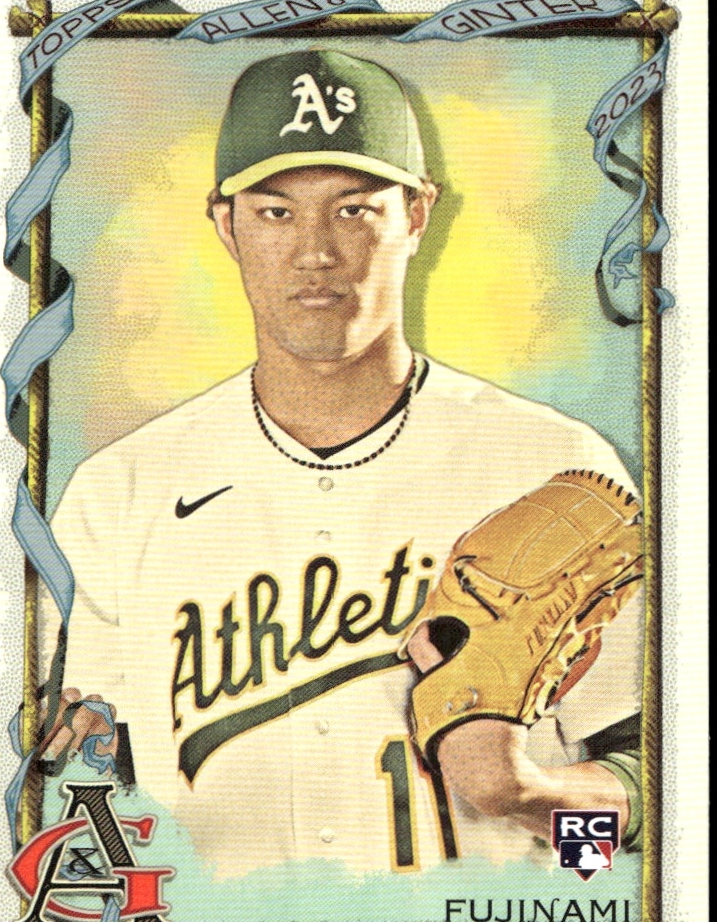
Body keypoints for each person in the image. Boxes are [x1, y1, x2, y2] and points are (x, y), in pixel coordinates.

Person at [39, 50, 642, 879]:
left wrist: (529, 798)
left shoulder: (553, 468)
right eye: (276, 212)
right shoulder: (118, 495)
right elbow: (86, 801)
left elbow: (652, 823)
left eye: (354, 209)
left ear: (418, 214)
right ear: (226, 224)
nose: (316, 251)